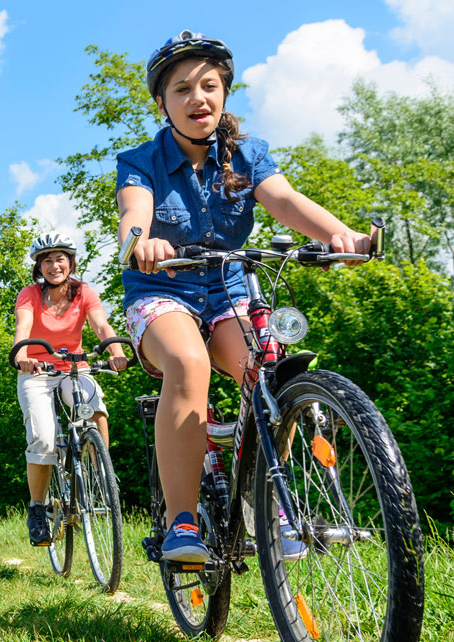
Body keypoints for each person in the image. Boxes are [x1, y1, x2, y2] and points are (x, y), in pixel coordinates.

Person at [118, 31, 369, 563]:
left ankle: (271, 503)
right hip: (162, 292)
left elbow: (286, 200)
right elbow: (133, 213)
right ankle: (180, 521)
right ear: (161, 102)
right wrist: (141, 242)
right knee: (188, 364)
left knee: (267, 373)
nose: (197, 98)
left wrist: (341, 236)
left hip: (228, 289)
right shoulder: (141, 161)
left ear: (225, 94)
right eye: (181, 89)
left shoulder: (249, 155)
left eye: (208, 85)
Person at [11, 233, 129, 546]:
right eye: (46, 260)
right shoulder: (29, 295)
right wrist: (22, 354)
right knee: (45, 441)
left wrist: (115, 350)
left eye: (60, 258)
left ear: (70, 262)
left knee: (95, 408)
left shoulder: (84, 292)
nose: (54, 265)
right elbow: (22, 328)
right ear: (39, 266)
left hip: (74, 366)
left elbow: (101, 325)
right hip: (36, 372)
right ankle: (38, 508)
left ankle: (101, 470)